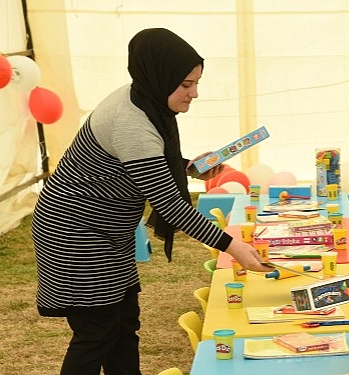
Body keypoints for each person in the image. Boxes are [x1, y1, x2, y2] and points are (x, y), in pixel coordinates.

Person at [31, 28, 271, 375]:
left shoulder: (142, 98)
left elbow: (148, 168)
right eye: (187, 85)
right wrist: (232, 246)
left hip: (105, 233)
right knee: (97, 332)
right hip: (77, 234)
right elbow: (171, 205)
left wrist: (187, 167)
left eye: (196, 83)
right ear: (161, 77)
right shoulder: (132, 123)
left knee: (125, 324)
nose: (195, 93)